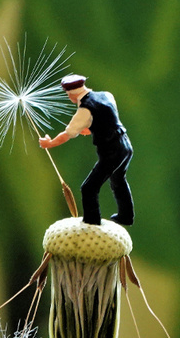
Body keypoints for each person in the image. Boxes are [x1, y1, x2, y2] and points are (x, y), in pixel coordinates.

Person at [38, 75, 134, 226]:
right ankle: (126, 216)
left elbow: (67, 135)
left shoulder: (84, 109)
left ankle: (91, 221)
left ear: (71, 94)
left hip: (111, 151)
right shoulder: (106, 95)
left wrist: (49, 143)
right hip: (125, 145)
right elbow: (108, 118)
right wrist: (90, 128)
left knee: (88, 188)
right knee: (118, 181)